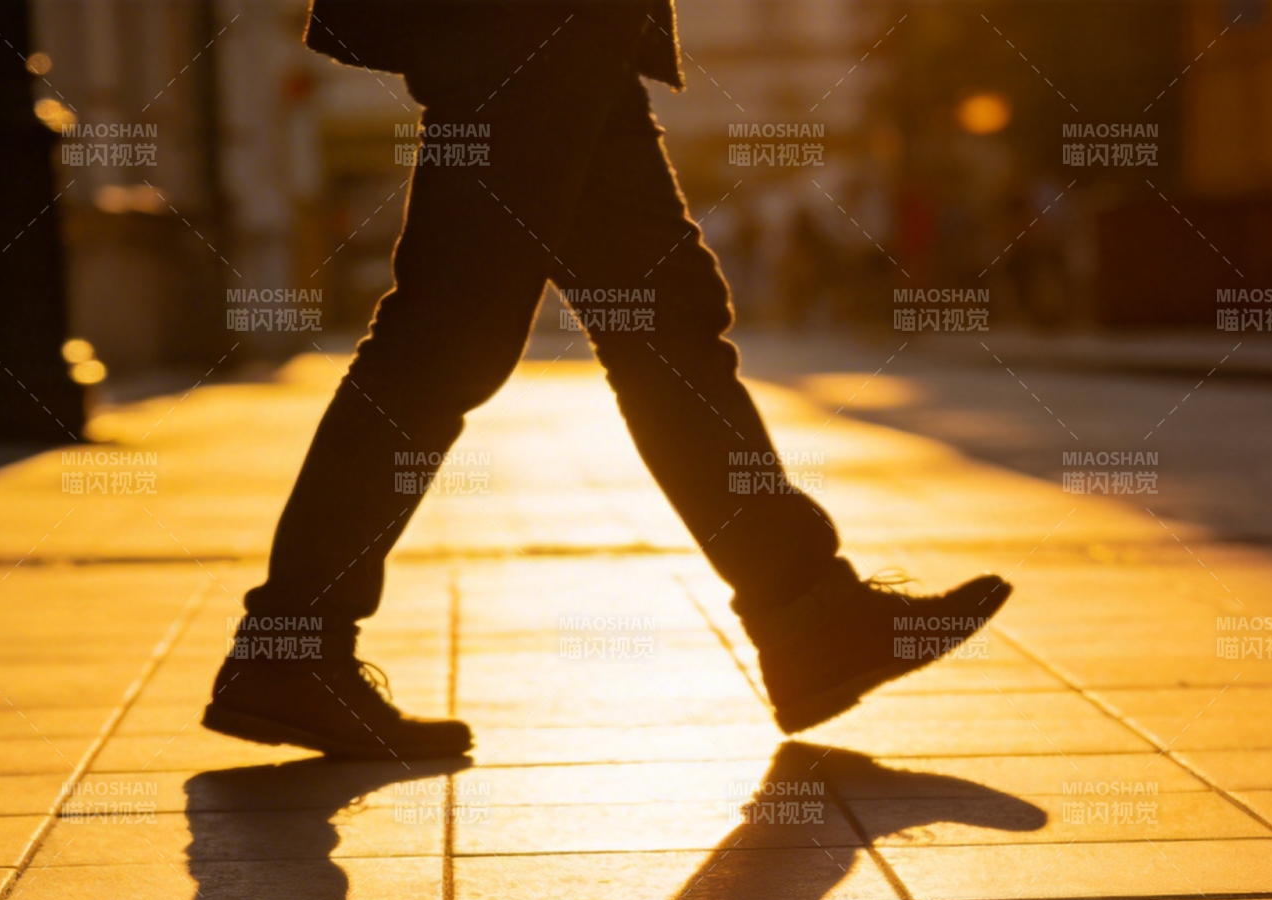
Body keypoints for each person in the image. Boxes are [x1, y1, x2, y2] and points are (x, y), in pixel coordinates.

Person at [203, 0, 1011, 758]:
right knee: (453, 332)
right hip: (520, 21)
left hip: (564, 26)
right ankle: (291, 647)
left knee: (659, 313)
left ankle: (807, 613)